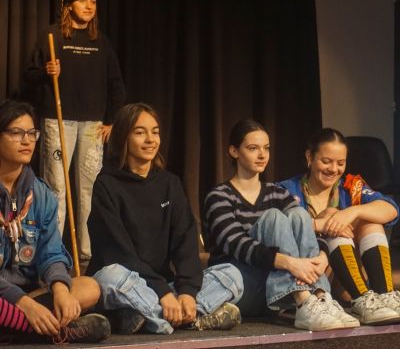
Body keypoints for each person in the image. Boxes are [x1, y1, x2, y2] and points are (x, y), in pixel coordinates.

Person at [86, 103, 243, 335]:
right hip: (131, 283)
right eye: (140, 132)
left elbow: (185, 241)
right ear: (123, 138)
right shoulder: (106, 185)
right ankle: (192, 317)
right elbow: (118, 253)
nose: (150, 139)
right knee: (109, 276)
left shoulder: (170, 183)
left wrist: (187, 291)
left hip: (162, 287)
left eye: (155, 132)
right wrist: (163, 292)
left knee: (232, 274)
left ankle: (158, 316)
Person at [203, 119, 359, 331]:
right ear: (234, 151)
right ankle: (304, 299)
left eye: (266, 148)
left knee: (299, 215)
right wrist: (290, 264)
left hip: (274, 289)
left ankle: (320, 297)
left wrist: (322, 256)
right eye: (253, 148)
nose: (262, 155)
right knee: (274, 217)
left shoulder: (277, 192)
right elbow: (235, 244)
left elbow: (305, 231)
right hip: (240, 284)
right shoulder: (219, 195)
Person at [25, 0, 126, 261]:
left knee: (90, 189)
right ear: (69, 6)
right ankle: (51, 253)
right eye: (83, 1)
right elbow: (29, 76)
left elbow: (115, 83)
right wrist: (46, 71)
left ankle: (87, 253)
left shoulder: (101, 41)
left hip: (93, 124)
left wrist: (112, 121)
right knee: (56, 187)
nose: (90, 6)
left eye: (93, 2)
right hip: (58, 121)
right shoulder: (52, 36)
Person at [0, 99, 110, 343]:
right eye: (16, 133)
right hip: (9, 296)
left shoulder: (41, 194)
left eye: (32, 133)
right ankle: (50, 331)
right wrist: (24, 304)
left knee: (89, 287)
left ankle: (18, 327)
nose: (27, 140)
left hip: (30, 293)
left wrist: (60, 288)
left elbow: (51, 252)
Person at [279, 128, 400, 325]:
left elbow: (391, 210)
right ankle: (360, 299)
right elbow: (277, 230)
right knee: (332, 218)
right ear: (309, 157)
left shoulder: (350, 187)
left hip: (346, 277)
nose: (333, 169)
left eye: (340, 163)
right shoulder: (286, 190)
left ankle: (383, 295)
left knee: (369, 220)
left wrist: (352, 212)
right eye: (326, 161)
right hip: (310, 275)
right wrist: (324, 223)